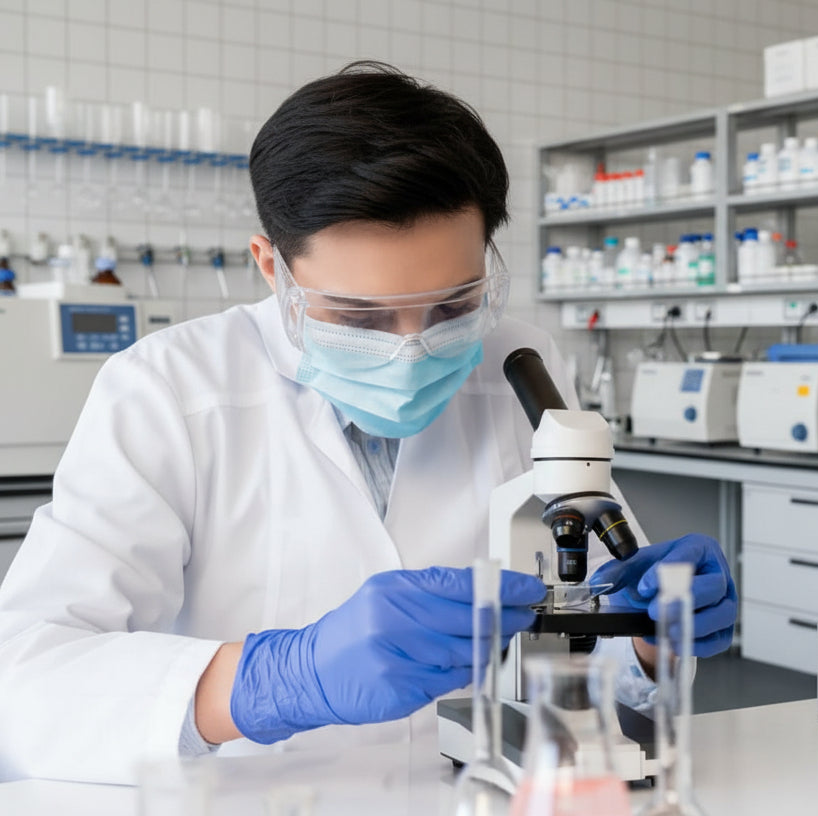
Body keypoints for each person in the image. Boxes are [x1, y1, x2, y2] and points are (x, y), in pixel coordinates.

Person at [0, 62, 738, 785]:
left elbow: (588, 626)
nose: (412, 346)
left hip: (471, 792)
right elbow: (28, 683)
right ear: (272, 269)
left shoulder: (520, 363)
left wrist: (651, 642)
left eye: (452, 306)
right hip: (255, 801)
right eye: (359, 315)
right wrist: (278, 679)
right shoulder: (167, 389)